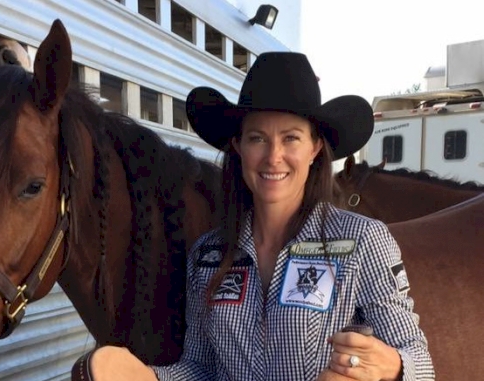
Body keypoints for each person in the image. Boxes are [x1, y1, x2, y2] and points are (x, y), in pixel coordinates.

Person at [146, 52, 435, 380]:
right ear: (238, 146)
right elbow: (199, 368)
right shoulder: (207, 255)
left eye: (291, 138)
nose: (273, 157)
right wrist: (147, 376)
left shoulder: (362, 241)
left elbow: (421, 364)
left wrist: (391, 366)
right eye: (257, 138)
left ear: (314, 148)